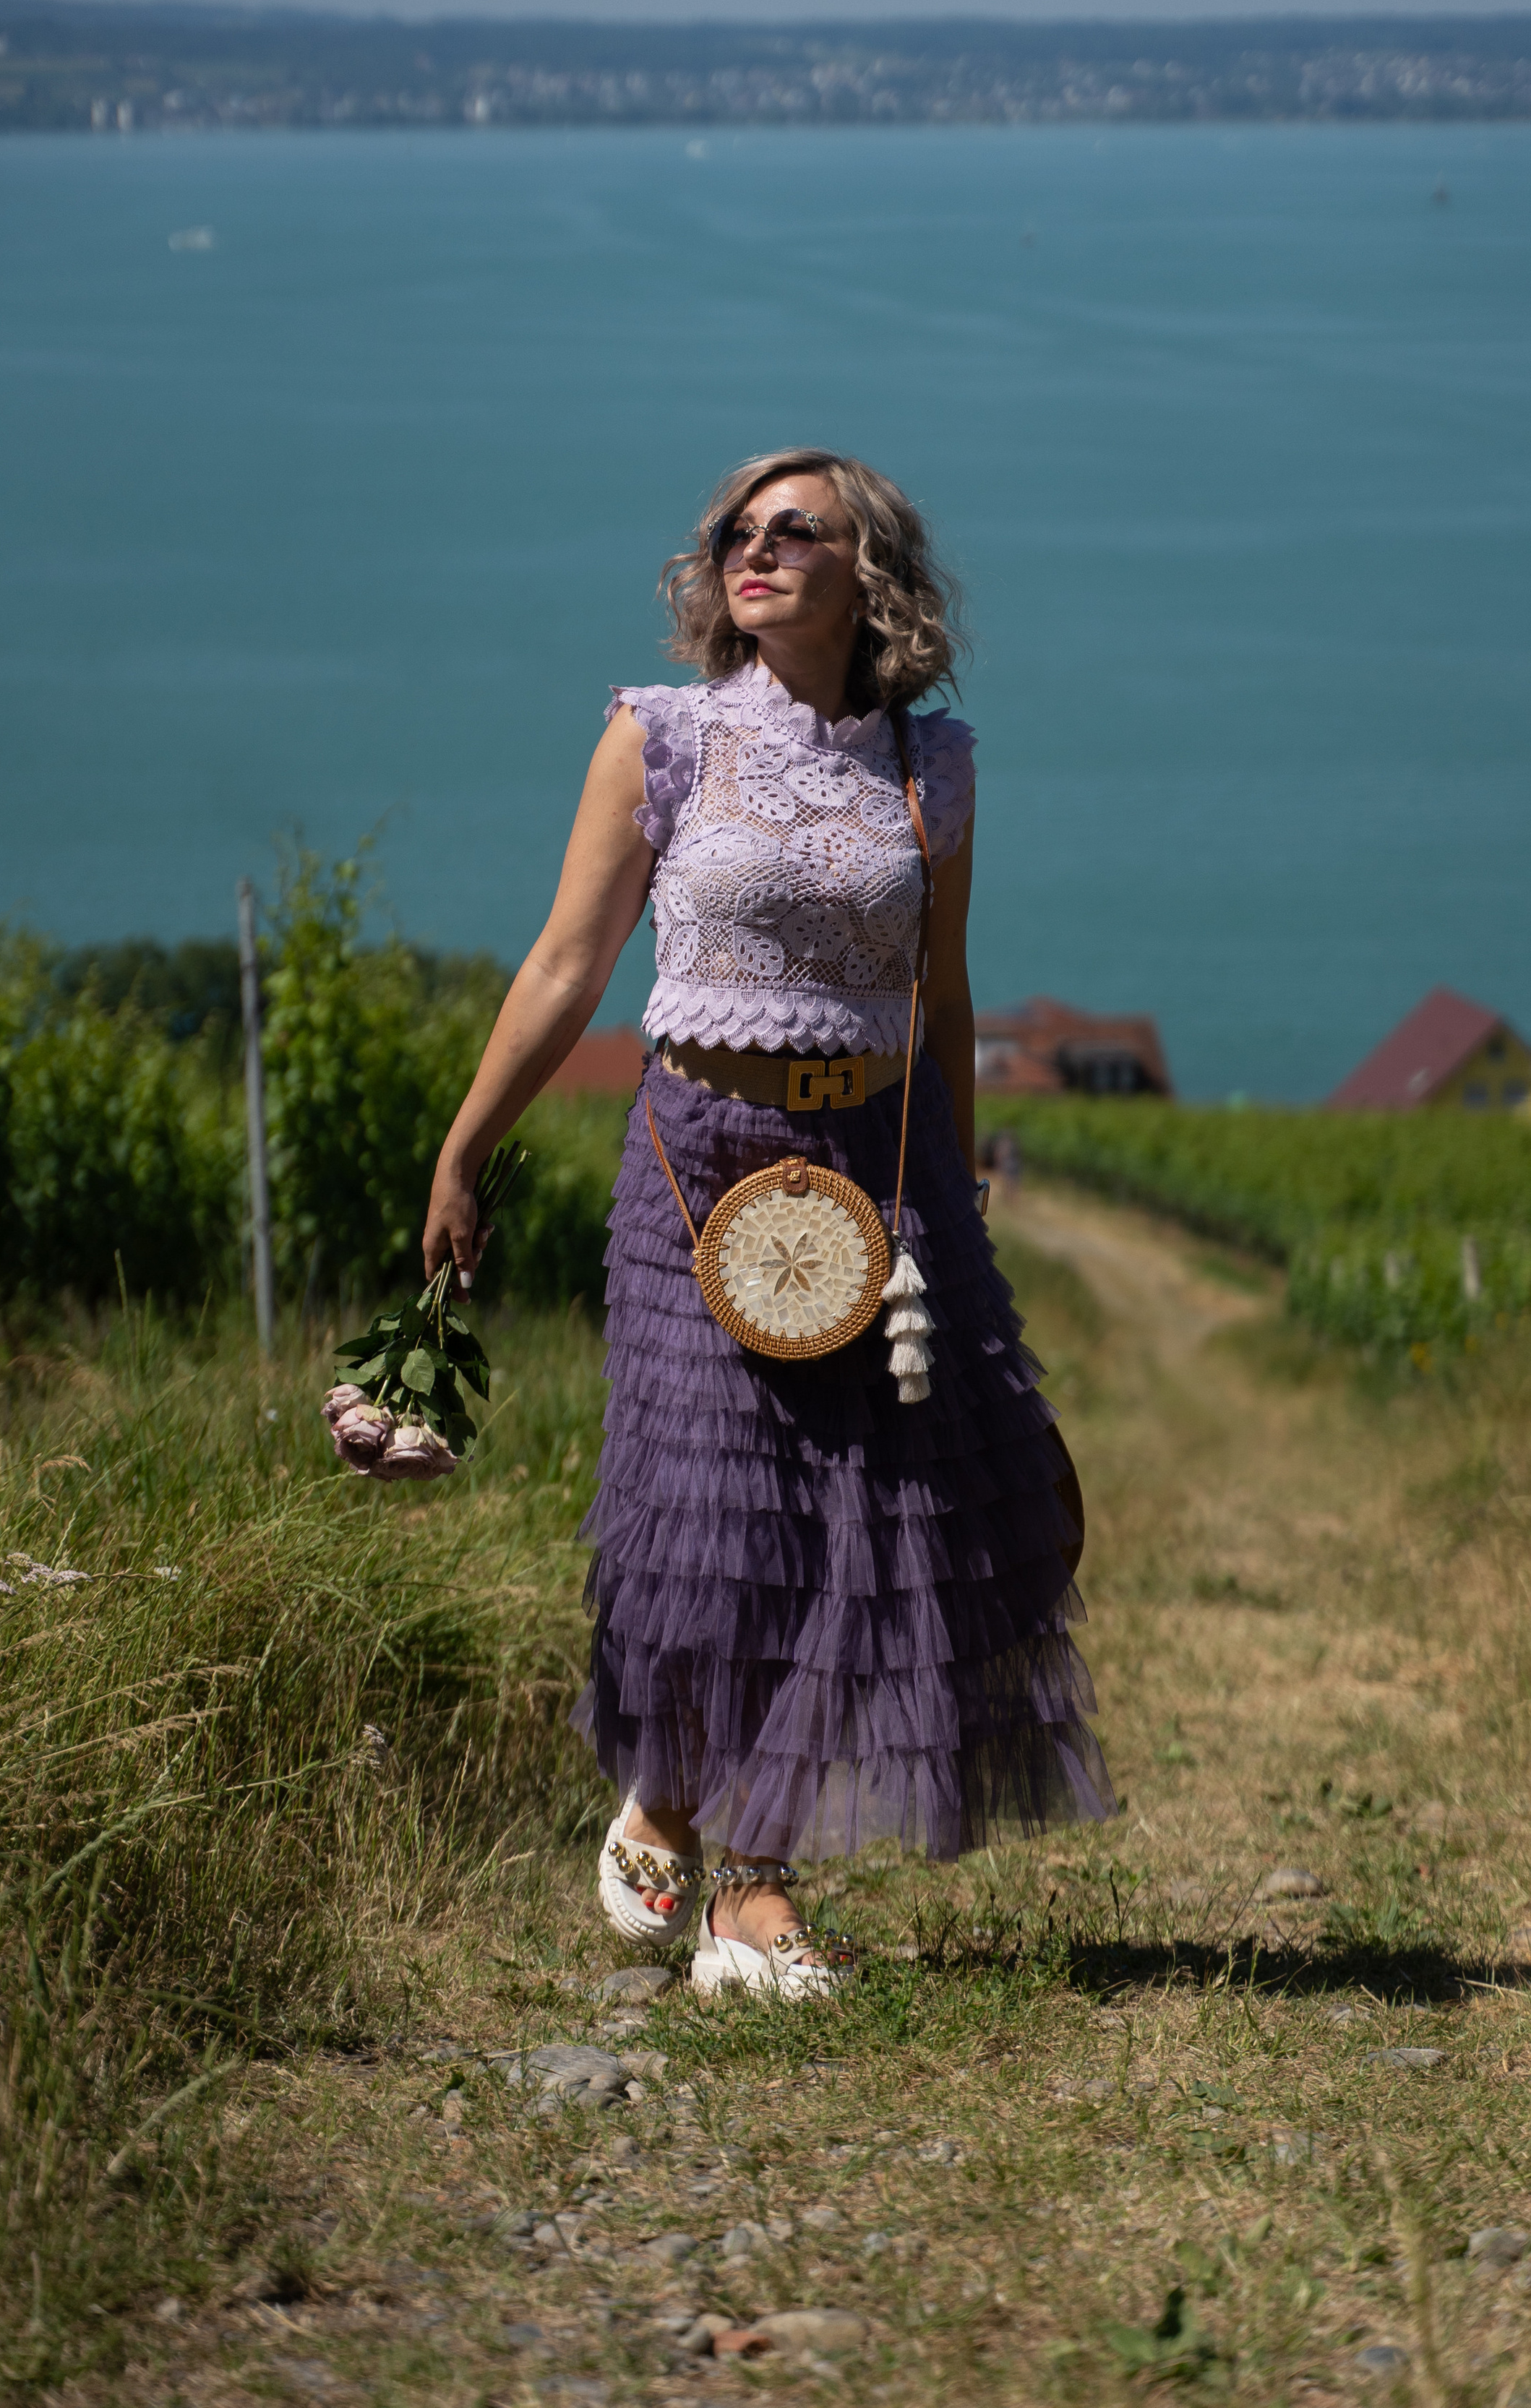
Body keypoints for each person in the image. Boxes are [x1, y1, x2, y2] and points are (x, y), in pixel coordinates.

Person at [424, 450, 1110, 1995]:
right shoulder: (658, 737)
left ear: (871, 575)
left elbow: (942, 994)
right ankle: (725, 1864)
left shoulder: (933, 766)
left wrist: (954, 1195)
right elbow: (565, 965)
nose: (757, 548)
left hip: (879, 1166)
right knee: (724, 1521)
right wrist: (467, 1146)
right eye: (739, 530)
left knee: (894, 1513)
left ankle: (717, 1848)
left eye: (797, 530)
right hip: (697, 1162)